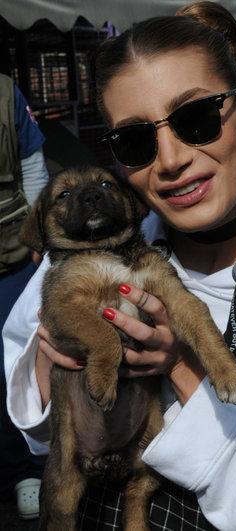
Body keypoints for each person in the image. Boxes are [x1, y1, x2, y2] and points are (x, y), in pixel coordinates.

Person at [2, 10, 236, 531]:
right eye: (135, 140)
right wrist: (56, 358)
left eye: (196, 118)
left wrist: (180, 367)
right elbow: (40, 420)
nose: (170, 159)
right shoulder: (100, 244)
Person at [0, 72, 49, 521]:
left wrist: (41, 234)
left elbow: (31, 162)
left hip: (11, 254)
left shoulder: (4, 90)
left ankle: (26, 471)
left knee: (17, 362)